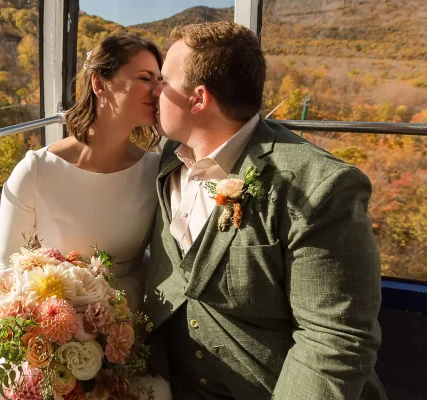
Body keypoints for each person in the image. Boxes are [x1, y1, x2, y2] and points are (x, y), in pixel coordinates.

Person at [143, 21, 387, 399]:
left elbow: (334, 339)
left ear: (198, 99)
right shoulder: (168, 161)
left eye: (163, 81)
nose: (154, 91)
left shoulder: (317, 187)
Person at [0, 34, 171, 400]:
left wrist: (112, 333)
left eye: (160, 79)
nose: (158, 90)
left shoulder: (155, 172)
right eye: (145, 78)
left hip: (124, 331)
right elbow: (5, 270)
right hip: (44, 329)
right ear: (99, 83)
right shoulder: (36, 170)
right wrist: (44, 337)